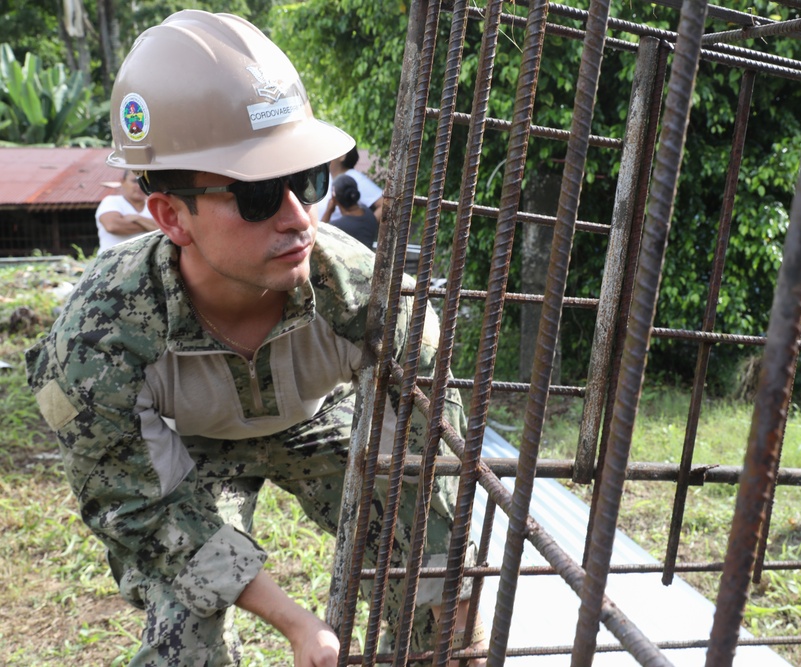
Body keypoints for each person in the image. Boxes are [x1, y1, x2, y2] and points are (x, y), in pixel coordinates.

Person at [25, 11, 484, 667]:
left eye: (309, 180)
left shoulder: (373, 302)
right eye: (260, 193)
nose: (300, 217)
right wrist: (298, 623)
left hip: (322, 419)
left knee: (438, 594)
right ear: (169, 214)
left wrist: (442, 601)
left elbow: (432, 482)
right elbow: (146, 510)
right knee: (186, 641)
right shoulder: (95, 343)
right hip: (186, 448)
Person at [95, 169, 158, 253]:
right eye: (135, 181)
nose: (140, 186)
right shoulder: (111, 201)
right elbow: (112, 226)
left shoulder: (155, 205)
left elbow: (164, 229)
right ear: (122, 181)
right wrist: (152, 226)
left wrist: (137, 218)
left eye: (145, 182)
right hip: (112, 262)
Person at [318, 146, 384, 224]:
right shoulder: (325, 177)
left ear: (342, 156)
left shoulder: (354, 178)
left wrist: (366, 227)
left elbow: (384, 204)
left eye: (328, 152)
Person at [330, 174, 380, 248]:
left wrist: (328, 211)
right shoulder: (368, 213)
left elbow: (320, 236)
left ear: (334, 199)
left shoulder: (338, 226)